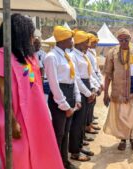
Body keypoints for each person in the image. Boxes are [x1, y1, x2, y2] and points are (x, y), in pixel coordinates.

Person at [0, 13, 63, 169]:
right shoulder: (1, 56)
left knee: (41, 154)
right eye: (30, 35)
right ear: (19, 34)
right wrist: (12, 122)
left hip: (35, 117)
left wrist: (44, 111)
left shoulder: (28, 58)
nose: (33, 39)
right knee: (19, 157)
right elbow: (3, 90)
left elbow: (34, 85)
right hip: (16, 118)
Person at [44, 26, 81, 169]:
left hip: (69, 93)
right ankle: (55, 164)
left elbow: (73, 79)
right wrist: (65, 105)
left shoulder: (66, 56)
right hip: (59, 97)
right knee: (58, 133)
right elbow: (54, 84)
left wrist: (76, 98)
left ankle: (64, 162)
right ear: (63, 40)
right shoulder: (51, 57)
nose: (72, 41)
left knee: (66, 132)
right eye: (70, 38)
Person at [103, 28, 133, 151]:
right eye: (121, 40)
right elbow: (108, 74)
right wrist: (106, 93)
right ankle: (123, 139)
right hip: (118, 92)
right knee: (120, 117)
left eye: (126, 39)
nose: (123, 42)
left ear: (130, 39)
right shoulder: (112, 53)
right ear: (118, 40)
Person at [69, 30, 98, 161]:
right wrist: (87, 92)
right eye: (86, 42)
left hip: (86, 87)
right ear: (79, 43)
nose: (88, 45)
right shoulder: (73, 56)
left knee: (82, 122)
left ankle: (80, 146)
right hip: (79, 90)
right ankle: (75, 151)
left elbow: (89, 74)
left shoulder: (83, 55)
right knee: (77, 123)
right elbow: (77, 78)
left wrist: (93, 89)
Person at [85, 32, 103, 135]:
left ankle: (89, 123)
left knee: (92, 105)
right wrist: (96, 84)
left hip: (94, 78)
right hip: (89, 80)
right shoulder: (86, 53)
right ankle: (87, 126)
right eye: (94, 41)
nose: (96, 43)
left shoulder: (92, 52)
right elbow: (90, 71)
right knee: (88, 106)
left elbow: (95, 69)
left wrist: (99, 82)